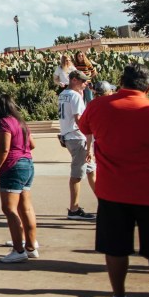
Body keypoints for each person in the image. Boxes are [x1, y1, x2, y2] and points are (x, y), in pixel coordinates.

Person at [79, 64, 149, 297]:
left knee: (115, 249)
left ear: (121, 82)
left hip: (113, 191)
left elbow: (85, 129)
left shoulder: (98, 106)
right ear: (148, 87)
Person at [0, 94, 38, 263]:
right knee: (26, 208)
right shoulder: (20, 121)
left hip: (12, 166)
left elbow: (4, 149)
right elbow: (32, 144)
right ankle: (31, 246)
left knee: (9, 209)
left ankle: (18, 250)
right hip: (27, 164)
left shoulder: (3, 123)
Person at [58, 71, 97, 221]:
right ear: (74, 80)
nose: (85, 83)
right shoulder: (75, 96)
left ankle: (104, 204)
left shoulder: (63, 94)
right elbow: (79, 118)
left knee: (90, 170)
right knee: (77, 174)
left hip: (69, 136)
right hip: (77, 137)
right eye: (83, 81)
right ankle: (74, 209)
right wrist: (89, 140)